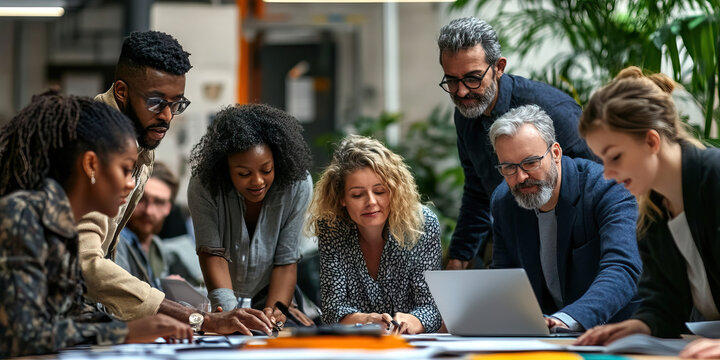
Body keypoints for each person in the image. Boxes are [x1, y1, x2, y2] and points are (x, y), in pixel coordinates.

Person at [79, 30, 272, 335]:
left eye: (177, 104)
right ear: (121, 91)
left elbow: (103, 254)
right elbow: (86, 262)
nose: (167, 116)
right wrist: (199, 318)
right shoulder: (91, 145)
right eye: (156, 102)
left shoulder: (141, 142)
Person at [0, 93, 193, 357]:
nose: (130, 184)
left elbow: (72, 317)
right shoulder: (22, 215)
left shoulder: (65, 228)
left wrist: (147, 324)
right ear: (91, 164)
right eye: (125, 170)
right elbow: (24, 335)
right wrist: (123, 332)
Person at [575, 67, 720, 358]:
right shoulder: (653, 212)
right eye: (602, 160)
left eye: (615, 156)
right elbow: (665, 303)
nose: (607, 174)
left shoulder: (714, 178)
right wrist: (640, 325)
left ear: (652, 141)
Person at [437, 17, 597, 270]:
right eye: (452, 80)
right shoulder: (465, 115)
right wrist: (459, 256)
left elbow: (597, 186)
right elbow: (478, 191)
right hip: (514, 242)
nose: (461, 92)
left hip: (574, 246)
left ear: (499, 67)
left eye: (473, 78)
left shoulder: (555, 110)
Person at [488, 104, 642, 331]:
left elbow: (622, 268)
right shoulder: (504, 201)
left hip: (617, 331)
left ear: (556, 153)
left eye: (530, 163)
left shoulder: (607, 188)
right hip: (544, 336)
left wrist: (567, 319)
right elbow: (505, 277)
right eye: (508, 167)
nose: (520, 177)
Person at [188, 104, 314, 326]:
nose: (257, 181)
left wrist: (274, 313)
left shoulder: (298, 185)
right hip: (222, 291)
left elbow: (286, 259)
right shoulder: (204, 186)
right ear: (226, 169)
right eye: (244, 173)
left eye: (266, 170)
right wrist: (229, 314)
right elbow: (212, 255)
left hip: (273, 290)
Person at [308, 135, 442, 334]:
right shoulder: (331, 228)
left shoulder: (422, 224)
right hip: (357, 346)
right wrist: (368, 320)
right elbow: (332, 310)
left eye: (379, 191)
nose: (371, 201)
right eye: (357, 194)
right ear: (342, 198)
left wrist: (412, 320)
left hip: (413, 346)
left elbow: (432, 308)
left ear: (393, 190)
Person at [116, 162, 181, 289]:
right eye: (141, 198)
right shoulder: (114, 242)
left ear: (168, 208)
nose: (148, 210)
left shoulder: (158, 249)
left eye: (159, 202)